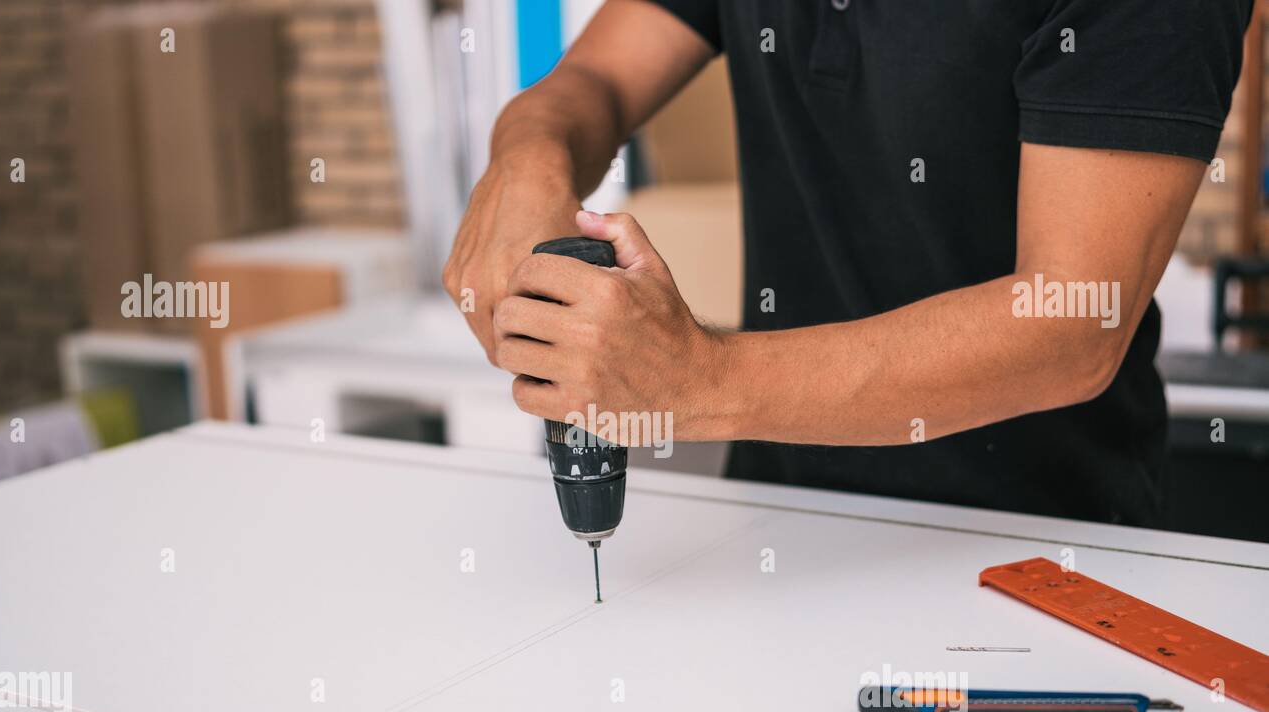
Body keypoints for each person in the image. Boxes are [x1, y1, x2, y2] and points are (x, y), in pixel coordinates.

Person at [443, 0, 1252, 526]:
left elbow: (1074, 322)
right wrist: (527, 161)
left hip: (1039, 548)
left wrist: (698, 381)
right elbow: (596, 80)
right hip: (776, 519)